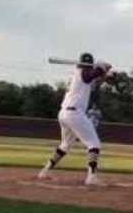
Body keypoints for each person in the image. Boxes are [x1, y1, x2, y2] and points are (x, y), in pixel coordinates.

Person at [38, 52, 112, 186]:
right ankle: (91, 177)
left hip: (65, 114)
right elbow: (91, 75)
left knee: (65, 145)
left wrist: (104, 72)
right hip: (74, 113)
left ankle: (45, 171)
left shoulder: (81, 78)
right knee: (94, 143)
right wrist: (101, 67)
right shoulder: (82, 72)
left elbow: (96, 83)